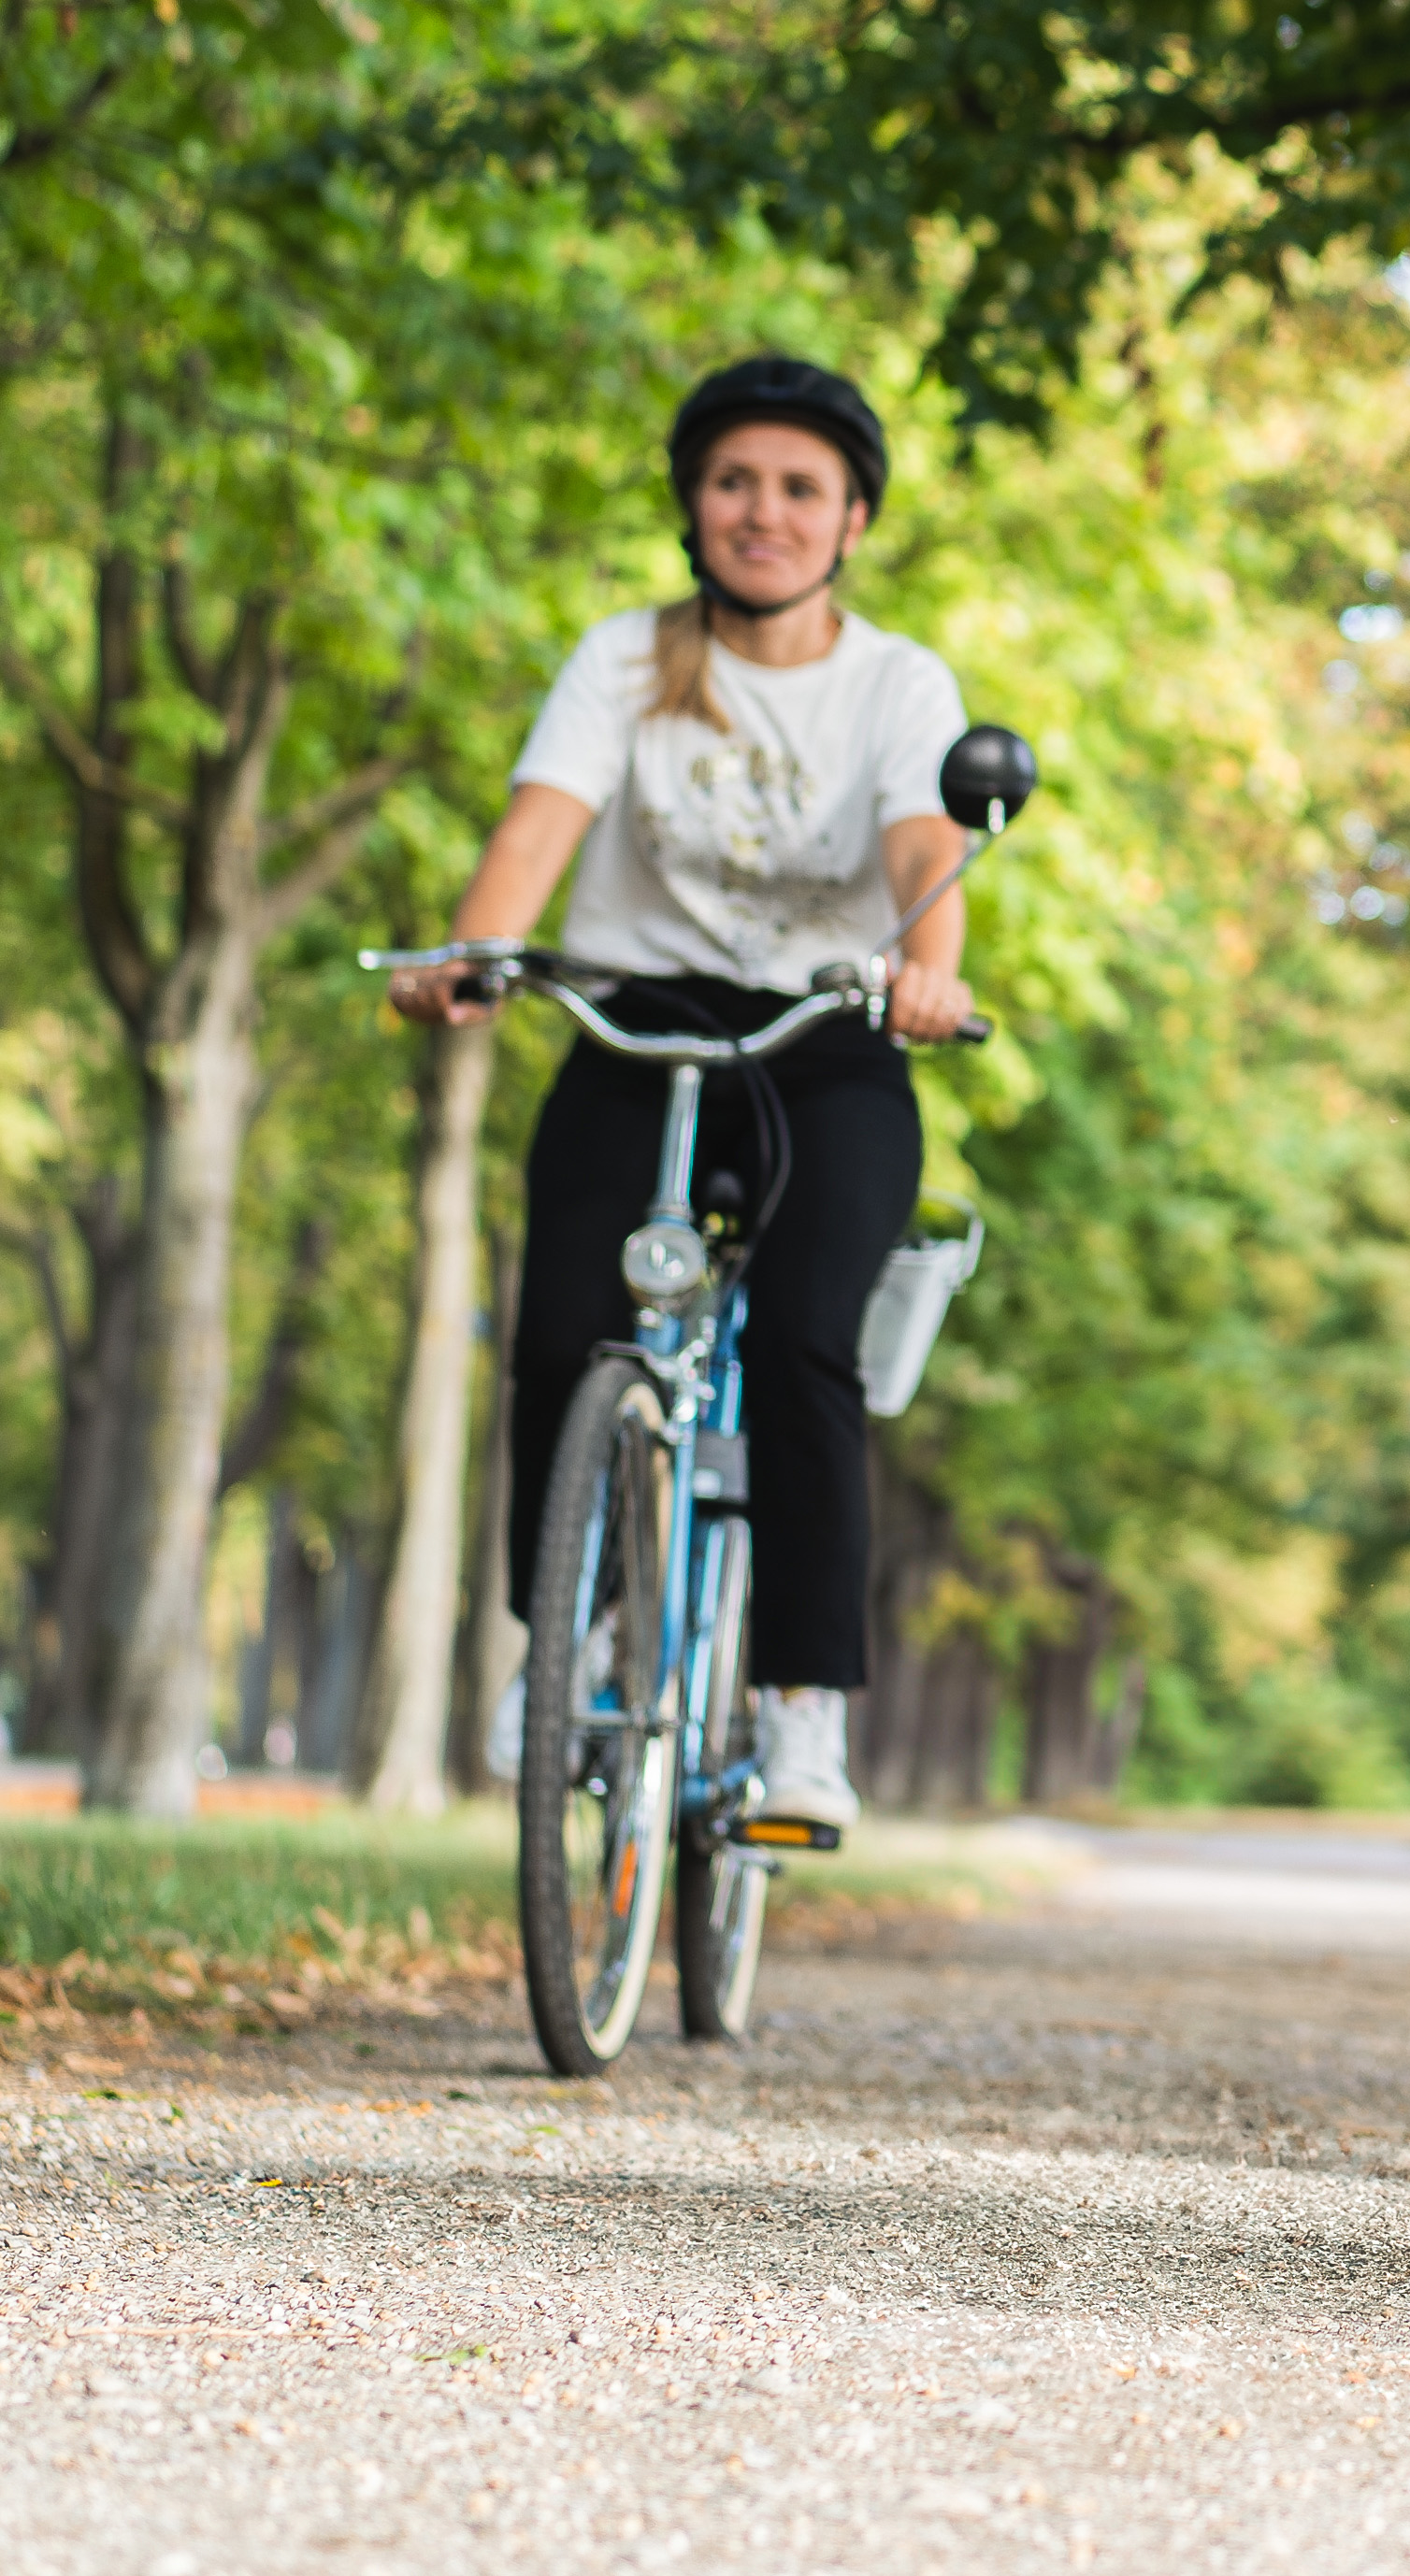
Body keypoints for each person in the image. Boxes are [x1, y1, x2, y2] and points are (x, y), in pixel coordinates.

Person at [390, 355, 975, 1839]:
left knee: (800, 1351)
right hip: (638, 1025)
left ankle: (799, 1720)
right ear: (691, 506)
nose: (760, 513)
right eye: (732, 482)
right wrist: (474, 950)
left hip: (829, 1037)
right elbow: (541, 828)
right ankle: (569, 1647)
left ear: (851, 521)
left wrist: (925, 969)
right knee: (556, 1334)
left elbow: (922, 848)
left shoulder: (896, 683)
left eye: (796, 489)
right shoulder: (627, 660)